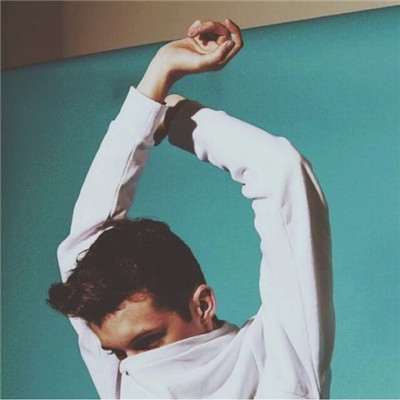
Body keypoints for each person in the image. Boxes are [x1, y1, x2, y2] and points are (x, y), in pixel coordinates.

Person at [47, 18, 334, 399]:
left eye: (148, 341)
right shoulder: (124, 379)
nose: (134, 367)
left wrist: (180, 119)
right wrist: (156, 79)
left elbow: (282, 175)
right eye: (116, 353)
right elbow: (83, 250)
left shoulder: (278, 367)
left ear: (202, 305)